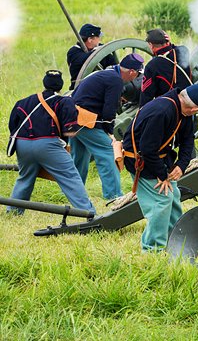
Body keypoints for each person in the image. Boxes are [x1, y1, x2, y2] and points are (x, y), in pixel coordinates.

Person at [122, 84, 198, 251]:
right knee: (161, 200)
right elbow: (148, 148)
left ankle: (176, 241)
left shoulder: (183, 110)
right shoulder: (162, 111)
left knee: (174, 197)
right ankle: (152, 249)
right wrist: (163, 175)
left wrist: (181, 165)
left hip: (160, 158)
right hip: (141, 160)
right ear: (194, 108)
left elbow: (188, 140)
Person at [5, 71, 96, 215]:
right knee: (70, 177)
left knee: (25, 178)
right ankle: (87, 212)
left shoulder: (23, 101)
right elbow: (70, 131)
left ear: (44, 83)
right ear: (60, 86)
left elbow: (13, 126)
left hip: (22, 144)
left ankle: (13, 211)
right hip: (47, 145)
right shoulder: (64, 101)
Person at [70, 53, 144, 200]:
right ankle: (114, 196)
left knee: (80, 157)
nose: (136, 78)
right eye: (137, 74)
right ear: (131, 72)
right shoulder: (115, 81)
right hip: (85, 120)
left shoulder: (107, 73)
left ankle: (74, 193)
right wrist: (110, 132)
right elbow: (109, 109)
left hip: (72, 118)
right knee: (108, 153)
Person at [139, 28, 193, 106]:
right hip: (188, 102)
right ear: (167, 42)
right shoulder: (183, 50)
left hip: (169, 107)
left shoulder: (152, 66)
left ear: (151, 45)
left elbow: (146, 96)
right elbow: (173, 48)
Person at [67, 23, 118, 90]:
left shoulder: (101, 50)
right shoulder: (74, 52)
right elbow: (82, 60)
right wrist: (96, 52)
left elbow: (114, 65)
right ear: (90, 39)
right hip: (80, 89)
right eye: (98, 37)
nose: (99, 40)